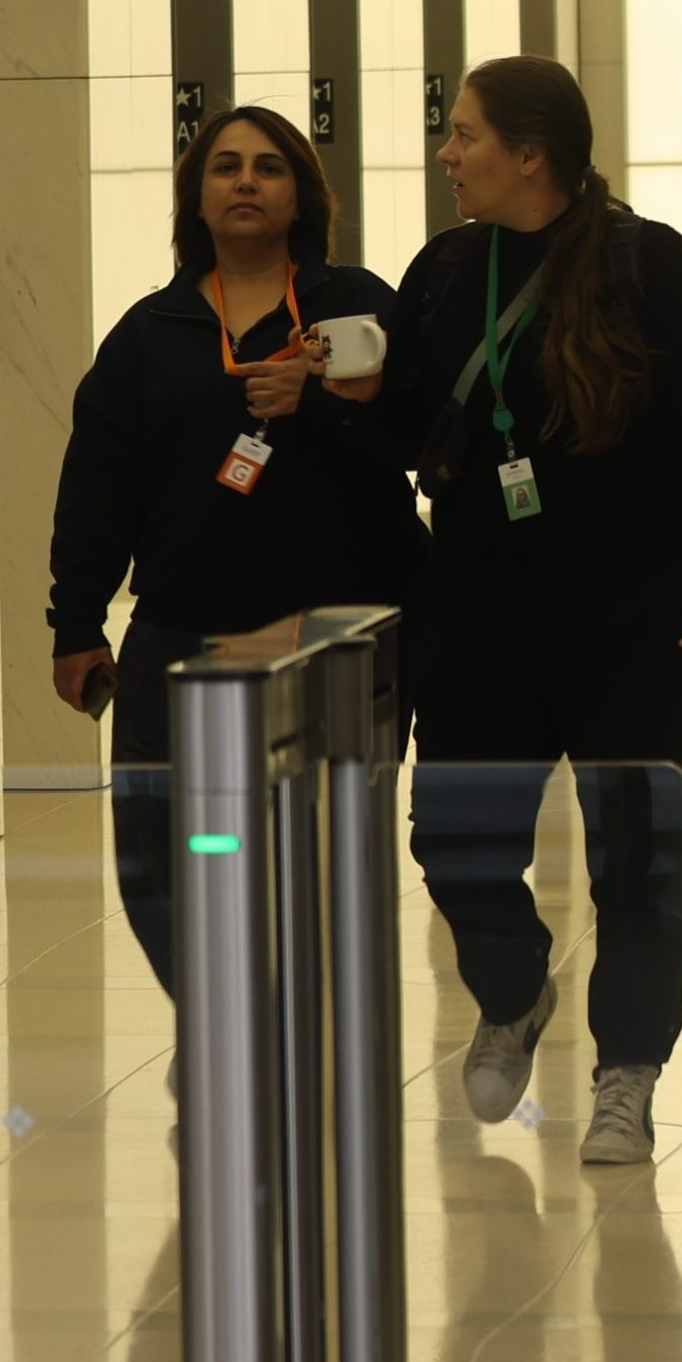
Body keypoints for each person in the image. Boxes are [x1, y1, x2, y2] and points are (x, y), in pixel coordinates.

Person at [378, 55, 682, 1171]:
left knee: (636, 857)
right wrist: (354, 396)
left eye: (465, 136)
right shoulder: (448, 271)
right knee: (454, 836)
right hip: (480, 613)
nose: (448, 155)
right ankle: (513, 991)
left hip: (636, 619)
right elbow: (414, 429)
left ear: (530, 155)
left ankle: (625, 1075)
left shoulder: (653, 269)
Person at [48, 104, 417, 991]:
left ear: (302, 197)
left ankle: (275, 1030)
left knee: (316, 859)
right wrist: (77, 620)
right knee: (158, 858)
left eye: (268, 167)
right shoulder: (151, 332)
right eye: (225, 168)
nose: (245, 181)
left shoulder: (355, 307)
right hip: (181, 635)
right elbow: (97, 484)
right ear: (197, 199)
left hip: (336, 634)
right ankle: (217, 1012)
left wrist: (326, 398)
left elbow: (416, 438)